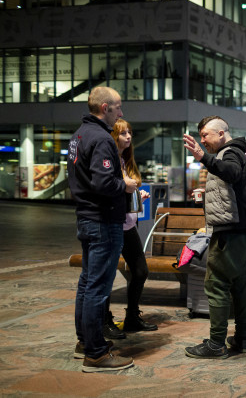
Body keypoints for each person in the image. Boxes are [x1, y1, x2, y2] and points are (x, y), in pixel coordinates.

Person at [67, 86, 138, 372]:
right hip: (102, 221)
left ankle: (85, 342)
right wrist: (127, 185)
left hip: (86, 218)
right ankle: (96, 353)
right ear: (105, 107)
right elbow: (103, 183)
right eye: (118, 107)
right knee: (98, 287)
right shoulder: (101, 139)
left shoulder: (78, 135)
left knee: (87, 283)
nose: (121, 113)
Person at [182, 116, 246, 359]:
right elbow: (231, 184)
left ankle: (216, 343)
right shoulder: (231, 152)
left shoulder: (230, 152)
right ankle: (243, 338)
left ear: (221, 133)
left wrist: (202, 157)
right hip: (241, 230)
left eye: (206, 135)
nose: (202, 140)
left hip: (231, 232)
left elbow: (232, 173)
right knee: (238, 284)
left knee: (216, 283)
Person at [101, 119, 157, 340]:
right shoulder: (109, 159)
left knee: (141, 270)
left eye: (130, 133)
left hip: (128, 224)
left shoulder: (125, 161)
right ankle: (105, 320)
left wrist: (136, 194)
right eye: (123, 133)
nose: (128, 137)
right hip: (113, 224)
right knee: (105, 275)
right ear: (114, 135)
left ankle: (132, 316)